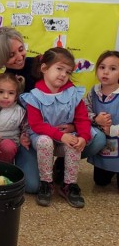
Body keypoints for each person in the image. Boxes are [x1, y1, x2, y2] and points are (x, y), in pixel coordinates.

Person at [0, 26, 106, 193]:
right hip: (35, 133)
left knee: (97, 138)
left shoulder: (44, 64)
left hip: (61, 129)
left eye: (21, 49)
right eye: (11, 55)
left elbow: (70, 98)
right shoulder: (4, 83)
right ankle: (44, 169)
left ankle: (63, 165)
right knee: (32, 186)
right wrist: (22, 134)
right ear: (0, 59)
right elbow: (11, 115)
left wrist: (74, 127)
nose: (19, 57)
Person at [20, 47, 92, 208]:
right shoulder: (34, 96)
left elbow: (82, 118)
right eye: (59, 69)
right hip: (42, 138)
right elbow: (37, 125)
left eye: (67, 72)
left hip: (63, 138)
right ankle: (47, 182)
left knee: (74, 142)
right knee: (45, 141)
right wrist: (61, 136)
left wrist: (83, 137)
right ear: (44, 68)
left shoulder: (73, 94)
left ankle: (69, 185)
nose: (63, 75)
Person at [85, 50, 119, 187]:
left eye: (113, 69)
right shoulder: (93, 92)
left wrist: (112, 130)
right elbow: (84, 111)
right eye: (102, 67)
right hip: (104, 149)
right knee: (100, 182)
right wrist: (95, 119)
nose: (105, 72)